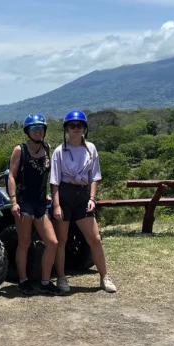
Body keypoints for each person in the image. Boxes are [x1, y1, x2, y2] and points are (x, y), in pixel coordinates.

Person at [50, 110, 117, 293]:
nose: (76, 129)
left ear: (85, 128)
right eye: (72, 126)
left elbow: (94, 176)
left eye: (79, 125)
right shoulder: (59, 151)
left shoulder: (91, 148)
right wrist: (56, 205)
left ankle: (104, 277)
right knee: (61, 240)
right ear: (66, 129)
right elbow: (54, 181)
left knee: (94, 238)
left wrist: (92, 199)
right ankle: (62, 278)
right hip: (65, 194)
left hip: (82, 195)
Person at [7, 113, 62, 296]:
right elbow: (12, 176)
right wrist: (13, 201)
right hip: (24, 203)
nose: (38, 131)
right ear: (27, 131)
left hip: (40, 203)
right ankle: (23, 280)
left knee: (52, 242)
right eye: (34, 128)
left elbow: (46, 175)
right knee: (25, 242)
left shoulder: (47, 148)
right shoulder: (20, 150)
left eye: (40, 128)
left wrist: (46, 194)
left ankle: (45, 281)